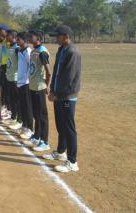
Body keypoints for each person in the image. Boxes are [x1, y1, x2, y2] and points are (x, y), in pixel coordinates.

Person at [43, 25, 81, 173]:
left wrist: (58, 94)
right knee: (60, 126)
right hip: (58, 94)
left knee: (69, 128)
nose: (55, 39)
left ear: (65, 36)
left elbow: (69, 78)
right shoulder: (61, 50)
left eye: (57, 36)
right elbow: (57, 73)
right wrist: (52, 90)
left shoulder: (72, 52)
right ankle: (60, 152)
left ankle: (72, 161)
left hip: (67, 96)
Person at [28, 29, 52, 152]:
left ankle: (45, 141)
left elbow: (48, 72)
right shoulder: (33, 51)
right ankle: (37, 135)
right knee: (36, 113)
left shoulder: (42, 52)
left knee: (42, 115)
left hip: (39, 87)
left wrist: (46, 86)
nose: (29, 37)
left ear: (38, 38)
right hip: (32, 86)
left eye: (31, 36)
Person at [16, 32, 33, 140]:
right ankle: (24, 126)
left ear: (25, 40)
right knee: (22, 106)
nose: (17, 41)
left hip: (26, 83)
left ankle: (30, 129)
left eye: (19, 39)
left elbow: (31, 67)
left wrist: (27, 79)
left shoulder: (28, 52)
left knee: (27, 107)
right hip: (20, 82)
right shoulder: (19, 51)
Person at [4, 30, 22, 130]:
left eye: (8, 36)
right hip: (9, 77)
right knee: (11, 98)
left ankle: (19, 119)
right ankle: (13, 117)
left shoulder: (17, 48)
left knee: (16, 99)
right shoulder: (9, 47)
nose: (7, 37)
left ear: (14, 37)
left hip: (15, 78)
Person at [0, 24, 10, 117]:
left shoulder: (7, 42)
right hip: (1, 67)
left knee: (6, 89)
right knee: (2, 88)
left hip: (6, 68)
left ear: (5, 31)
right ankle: (3, 106)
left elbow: (6, 58)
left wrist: (2, 67)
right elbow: (1, 57)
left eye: (0, 30)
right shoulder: (2, 42)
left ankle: (7, 108)